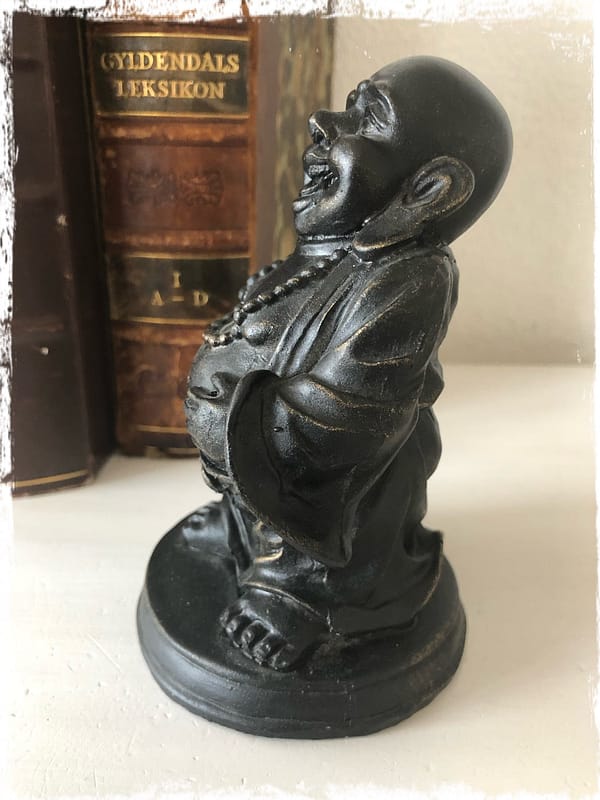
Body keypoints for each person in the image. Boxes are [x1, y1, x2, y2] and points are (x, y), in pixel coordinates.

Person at [183, 56, 512, 671]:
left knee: (338, 518)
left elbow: (346, 416)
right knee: (250, 510)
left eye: (368, 119)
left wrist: (232, 417)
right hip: (252, 470)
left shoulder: (410, 276)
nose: (320, 121)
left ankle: (301, 599)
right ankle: (244, 533)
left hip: (339, 487)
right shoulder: (328, 256)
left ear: (427, 190)